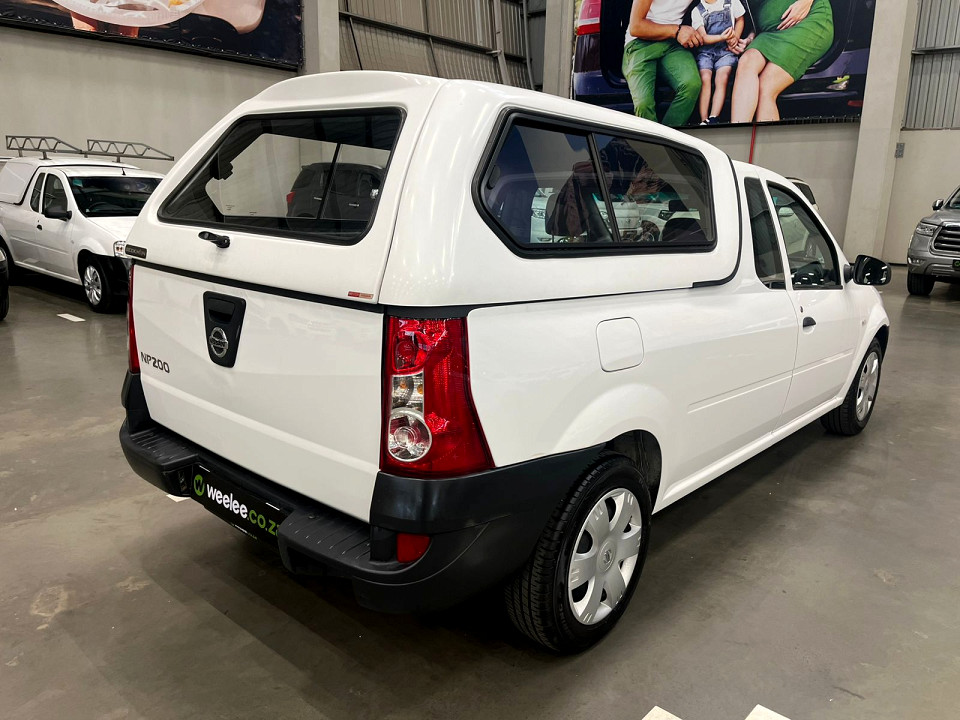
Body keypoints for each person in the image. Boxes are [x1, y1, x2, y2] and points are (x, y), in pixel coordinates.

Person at [730, 0, 835, 123]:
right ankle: (738, 129)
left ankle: (766, 136)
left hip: (807, 20)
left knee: (766, 87)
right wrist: (751, 37)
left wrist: (806, 1)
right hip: (769, 32)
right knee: (747, 61)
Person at [622, 0, 703, 127]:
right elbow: (636, 27)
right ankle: (652, 139)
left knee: (691, 85)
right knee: (644, 104)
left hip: (672, 43)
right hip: (640, 43)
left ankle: (670, 136)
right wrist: (677, 31)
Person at [691, 0, 746, 124]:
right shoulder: (697, 10)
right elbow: (703, 37)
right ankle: (703, 119)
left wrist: (736, 37)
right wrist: (721, 37)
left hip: (726, 50)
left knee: (722, 77)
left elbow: (740, 19)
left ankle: (713, 117)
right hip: (706, 51)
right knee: (705, 77)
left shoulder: (731, 2)